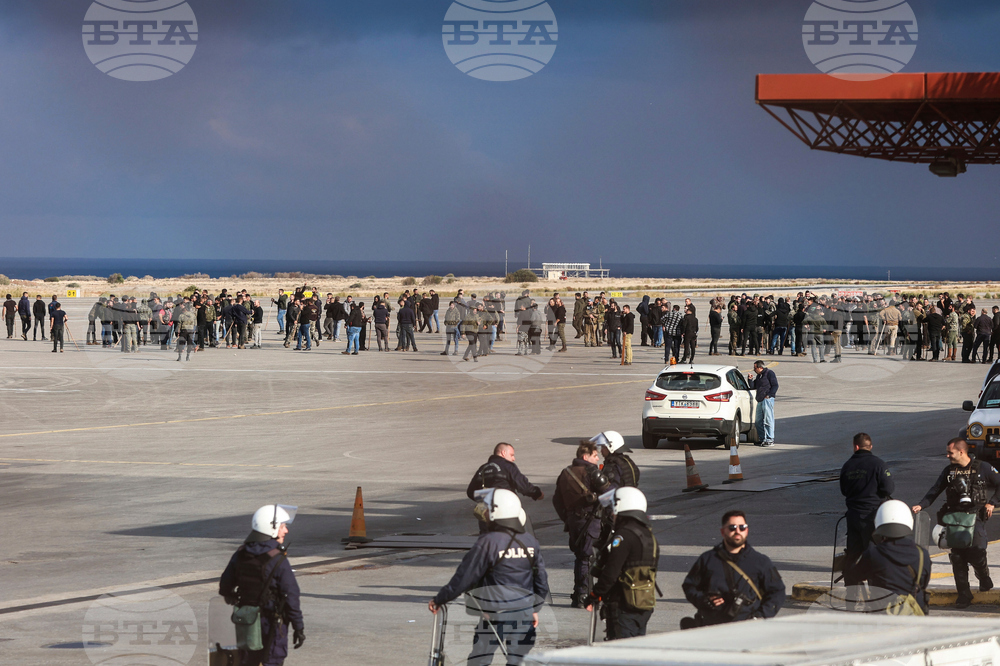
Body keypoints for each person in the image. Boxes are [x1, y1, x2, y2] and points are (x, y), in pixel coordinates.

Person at [429, 488, 548, 666]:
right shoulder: (530, 542)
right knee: (518, 661)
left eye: (487, 508)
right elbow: (541, 580)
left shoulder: (489, 542)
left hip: (495, 614)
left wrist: (441, 599)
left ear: (497, 511)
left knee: (480, 660)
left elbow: (464, 577)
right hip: (523, 612)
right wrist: (534, 608)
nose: (484, 512)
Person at [913, 438, 1000, 607]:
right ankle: (964, 595)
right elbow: (935, 489)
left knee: (977, 552)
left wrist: (992, 503)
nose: (947, 456)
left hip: (975, 516)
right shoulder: (949, 471)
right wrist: (922, 505)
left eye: (950, 453)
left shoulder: (983, 467)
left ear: (961, 452)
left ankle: (983, 577)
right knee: (957, 557)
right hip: (954, 518)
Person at [219, 505, 305, 666]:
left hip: (247, 621)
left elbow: (225, 585)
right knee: (272, 660)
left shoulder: (241, 553)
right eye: (282, 526)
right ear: (271, 528)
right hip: (272, 623)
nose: (286, 531)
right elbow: (291, 594)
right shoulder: (277, 559)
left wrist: (233, 597)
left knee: (247, 661)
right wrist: (298, 626)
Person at [680, 510, 785, 628]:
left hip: (747, 628)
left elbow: (777, 591)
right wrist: (704, 600)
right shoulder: (708, 559)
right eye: (732, 528)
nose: (737, 531)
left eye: (742, 527)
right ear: (722, 531)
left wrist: (760, 617)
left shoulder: (760, 561)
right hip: (712, 628)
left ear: (747, 530)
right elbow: (689, 586)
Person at [585, 488, 658, 640]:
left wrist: (595, 594)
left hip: (623, 605)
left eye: (613, 510)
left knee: (621, 648)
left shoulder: (623, 536)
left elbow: (611, 572)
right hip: (643, 603)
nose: (612, 514)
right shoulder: (648, 535)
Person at [553, 441, 611, 608]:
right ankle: (584, 595)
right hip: (590, 521)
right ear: (585, 457)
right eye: (594, 455)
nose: (597, 458)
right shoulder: (591, 472)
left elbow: (557, 500)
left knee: (581, 557)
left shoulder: (565, 472)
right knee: (587, 558)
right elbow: (609, 495)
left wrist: (567, 518)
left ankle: (579, 594)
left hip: (574, 521)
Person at [852, 500, 931, 615]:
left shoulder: (874, 553)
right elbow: (923, 582)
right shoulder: (922, 553)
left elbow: (856, 575)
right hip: (913, 613)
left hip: (882, 614)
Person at [839, 433, 895, 586]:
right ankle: (875, 592)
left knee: (852, 555)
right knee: (873, 555)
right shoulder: (879, 464)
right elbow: (888, 488)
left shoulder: (847, 466)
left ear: (856, 447)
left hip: (853, 516)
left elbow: (844, 490)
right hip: (872, 516)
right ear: (870, 446)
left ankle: (852, 593)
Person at [467, 443, 544, 534]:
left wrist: (488, 497)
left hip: (487, 514)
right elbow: (523, 486)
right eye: (511, 455)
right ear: (503, 453)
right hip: (507, 513)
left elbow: (470, 492)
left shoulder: (482, 469)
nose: (513, 458)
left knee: (488, 539)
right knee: (512, 537)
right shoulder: (508, 466)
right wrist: (537, 493)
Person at [747, 360, 777, 447]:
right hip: (760, 400)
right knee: (758, 421)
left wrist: (769, 395)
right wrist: (750, 380)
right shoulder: (759, 376)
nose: (754, 369)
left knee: (768, 419)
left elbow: (775, 385)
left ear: (760, 367)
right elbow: (753, 386)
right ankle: (762, 439)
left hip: (767, 400)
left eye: (755, 368)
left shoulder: (769, 373)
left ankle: (770, 439)